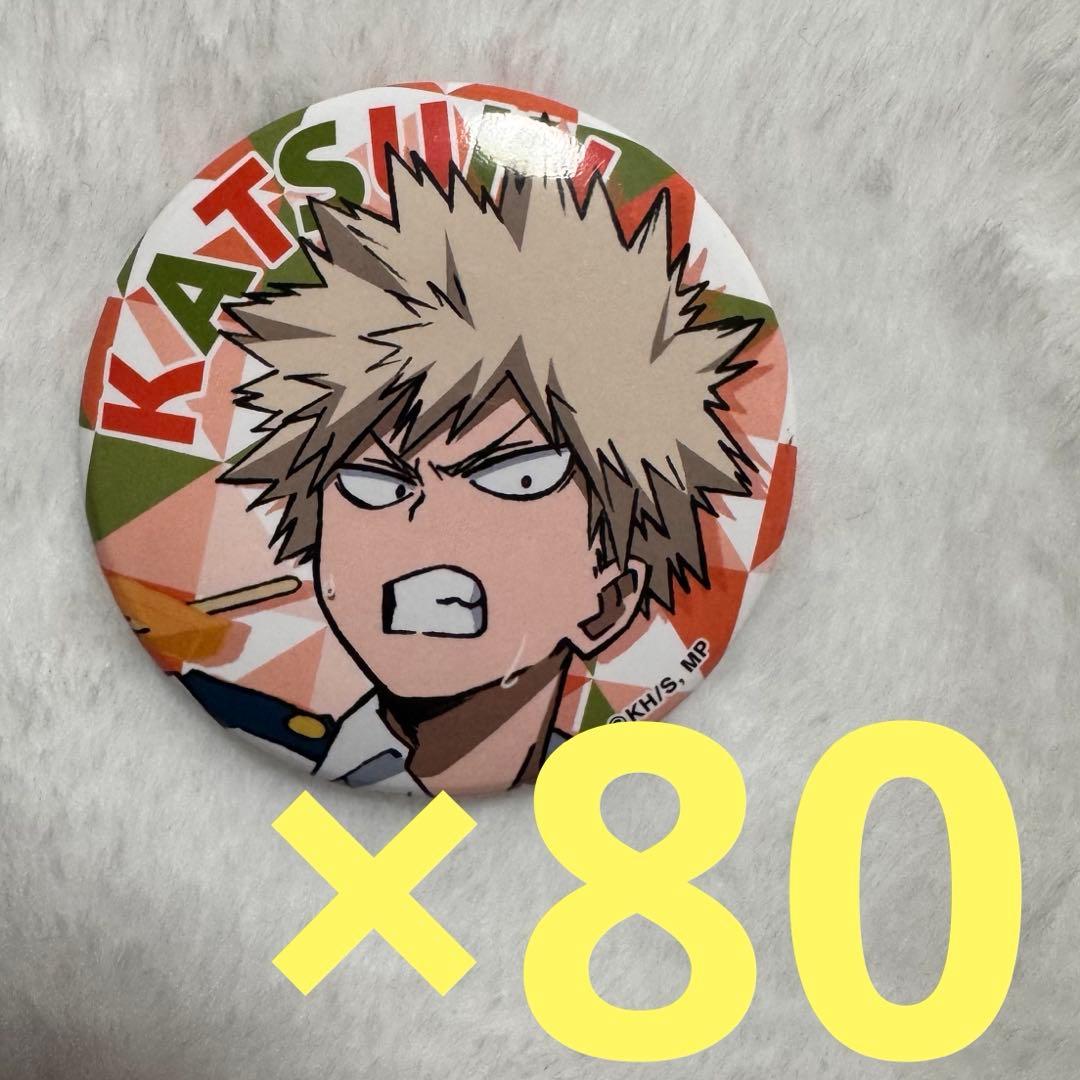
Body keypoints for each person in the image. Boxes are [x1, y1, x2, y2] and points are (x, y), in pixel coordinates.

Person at [180, 149, 761, 796]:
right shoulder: (239, 735)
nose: (425, 527)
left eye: (518, 480)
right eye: (376, 484)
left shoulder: (605, 787)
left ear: (611, 599)